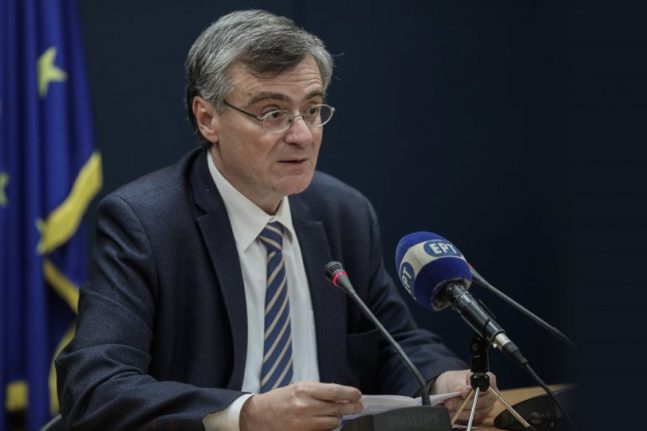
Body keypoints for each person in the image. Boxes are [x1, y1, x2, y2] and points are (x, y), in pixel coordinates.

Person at [56, 10, 496, 430]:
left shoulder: (343, 213)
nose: (302, 135)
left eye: (312, 109)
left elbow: (391, 343)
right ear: (207, 118)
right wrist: (245, 415)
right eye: (272, 114)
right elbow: (95, 388)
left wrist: (443, 382)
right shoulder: (146, 223)